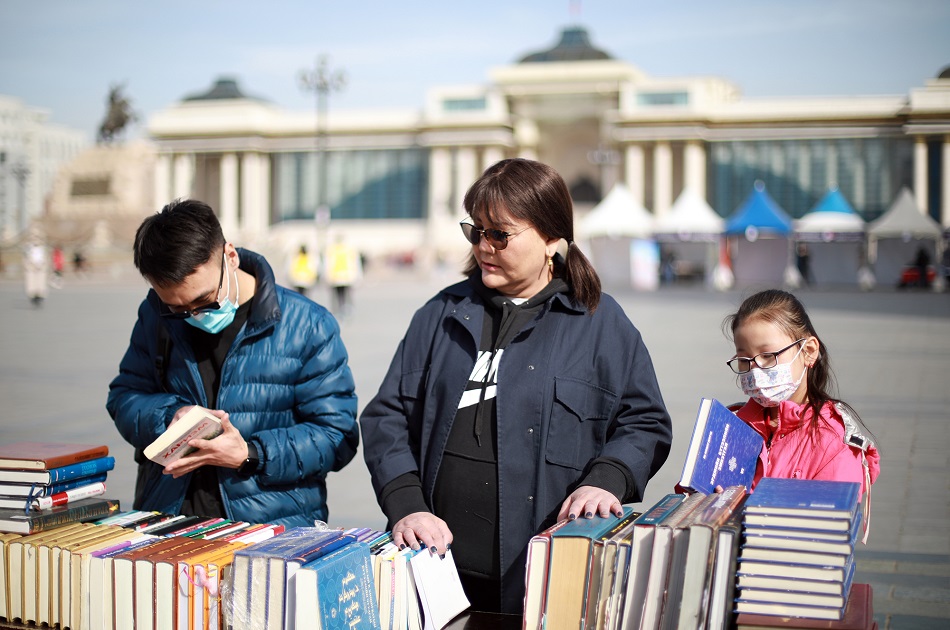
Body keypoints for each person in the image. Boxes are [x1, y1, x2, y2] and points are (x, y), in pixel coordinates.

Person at [359, 158, 673, 613]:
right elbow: (386, 415)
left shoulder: (601, 324)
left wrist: (609, 480)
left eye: (499, 234)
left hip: (546, 576)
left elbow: (644, 421)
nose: (484, 246)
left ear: (552, 240)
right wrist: (405, 502)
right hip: (435, 574)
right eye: (476, 231)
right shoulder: (441, 313)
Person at [106, 199, 359, 528]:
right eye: (177, 307)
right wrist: (170, 415)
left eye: (203, 300)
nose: (192, 314)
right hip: (170, 517)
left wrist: (251, 454)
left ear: (230, 256)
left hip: (270, 527)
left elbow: (336, 436)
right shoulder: (156, 313)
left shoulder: (308, 324)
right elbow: (125, 396)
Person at [724, 289, 880, 538]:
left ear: (808, 351)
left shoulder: (834, 444)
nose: (755, 370)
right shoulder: (731, 427)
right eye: (744, 360)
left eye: (768, 356)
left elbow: (825, 538)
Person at [324, 234, 362, 315]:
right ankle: (346, 309)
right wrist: (358, 277)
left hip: (336, 278)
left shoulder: (332, 250)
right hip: (346, 277)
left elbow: (327, 265)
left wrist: (326, 277)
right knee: (346, 295)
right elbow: (355, 264)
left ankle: (338, 310)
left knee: (337, 295)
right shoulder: (348, 249)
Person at [23, 241, 48, 307]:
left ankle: (39, 295)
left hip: (40, 268)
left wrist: (42, 265)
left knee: (40, 282)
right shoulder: (28, 248)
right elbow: (26, 258)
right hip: (32, 268)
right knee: (32, 282)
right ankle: (33, 296)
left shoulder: (42, 249)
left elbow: (44, 259)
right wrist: (30, 265)